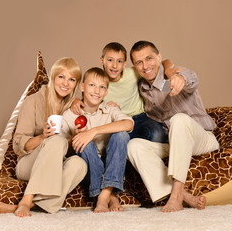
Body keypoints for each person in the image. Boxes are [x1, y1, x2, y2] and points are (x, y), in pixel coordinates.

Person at [127, 40, 220, 212]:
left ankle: (176, 197)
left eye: (149, 58)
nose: (145, 65)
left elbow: (191, 78)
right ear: (134, 66)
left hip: (202, 138)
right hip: (176, 143)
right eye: (139, 62)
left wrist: (179, 78)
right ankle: (185, 196)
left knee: (179, 119)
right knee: (133, 146)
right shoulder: (143, 88)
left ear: (159, 57)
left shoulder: (173, 75)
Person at [0, 57, 87, 217]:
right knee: (56, 140)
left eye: (71, 79)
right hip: (29, 163)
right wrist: (43, 137)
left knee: (80, 164)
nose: (65, 83)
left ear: (76, 84)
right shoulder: (33, 101)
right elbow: (19, 146)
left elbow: (65, 150)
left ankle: (23, 206)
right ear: (53, 77)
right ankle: (25, 201)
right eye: (61, 77)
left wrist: (74, 138)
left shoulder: (72, 107)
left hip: (55, 163)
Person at [71, 42, 180, 143]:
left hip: (140, 117)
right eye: (110, 60)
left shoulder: (133, 73)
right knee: (116, 140)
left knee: (157, 134)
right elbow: (87, 98)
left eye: (119, 61)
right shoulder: (99, 82)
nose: (114, 65)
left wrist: (169, 72)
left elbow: (164, 61)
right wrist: (75, 101)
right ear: (102, 60)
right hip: (118, 120)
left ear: (124, 64)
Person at [61, 67, 134, 213]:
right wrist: (75, 138)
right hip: (88, 170)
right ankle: (110, 195)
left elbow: (129, 124)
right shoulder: (70, 114)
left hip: (112, 167)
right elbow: (61, 149)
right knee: (83, 141)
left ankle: (103, 196)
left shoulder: (110, 109)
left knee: (122, 135)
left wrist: (93, 132)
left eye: (102, 87)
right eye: (92, 85)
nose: (97, 91)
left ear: (106, 91)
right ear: (82, 87)